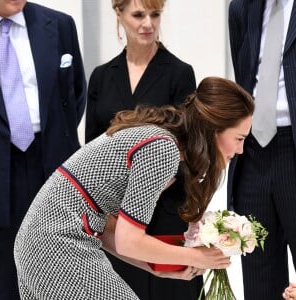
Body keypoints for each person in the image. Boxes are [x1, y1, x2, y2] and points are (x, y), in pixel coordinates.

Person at [14, 76, 253, 300]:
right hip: (57, 243)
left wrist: (154, 268)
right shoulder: (162, 150)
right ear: (213, 130)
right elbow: (128, 241)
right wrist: (197, 256)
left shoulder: (158, 141)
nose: (241, 150)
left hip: (36, 241)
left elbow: (108, 227)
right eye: (239, 139)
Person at [85, 0, 199, 298]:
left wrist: (141, 191)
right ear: (119, 14)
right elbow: (93, 150)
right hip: (113, 217)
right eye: (138, 15)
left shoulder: (180, 73)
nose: (148, 23)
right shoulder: (101, 76)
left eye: (155, 15)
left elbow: (185, 149)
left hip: (166, 210)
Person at [0, 1, 86, 299]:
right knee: (5, 274)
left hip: (51, 160)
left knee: (56, 266)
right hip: (0, 165)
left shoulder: (59, 24)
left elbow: (75, 93)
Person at [228, 0, 296, 299]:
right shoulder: (242, 8)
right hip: (252, 153)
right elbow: (243, 80)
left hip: (292, 147)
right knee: (259, 276)